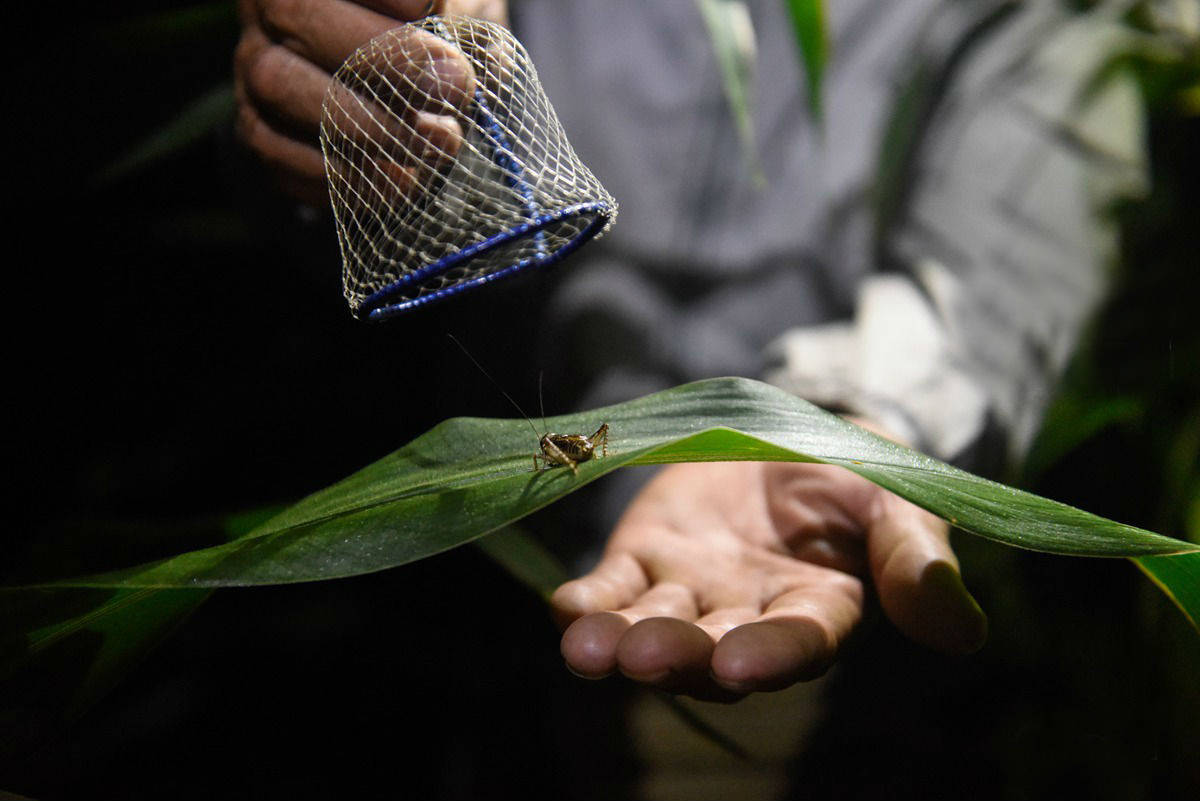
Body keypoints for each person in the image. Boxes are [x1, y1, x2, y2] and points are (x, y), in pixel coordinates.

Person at [233, 0, 1138, 701]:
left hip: (845, 645)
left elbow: (1019, 239)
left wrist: (862, 425)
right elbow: (368, 197)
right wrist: (341, 96)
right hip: (490, 592)